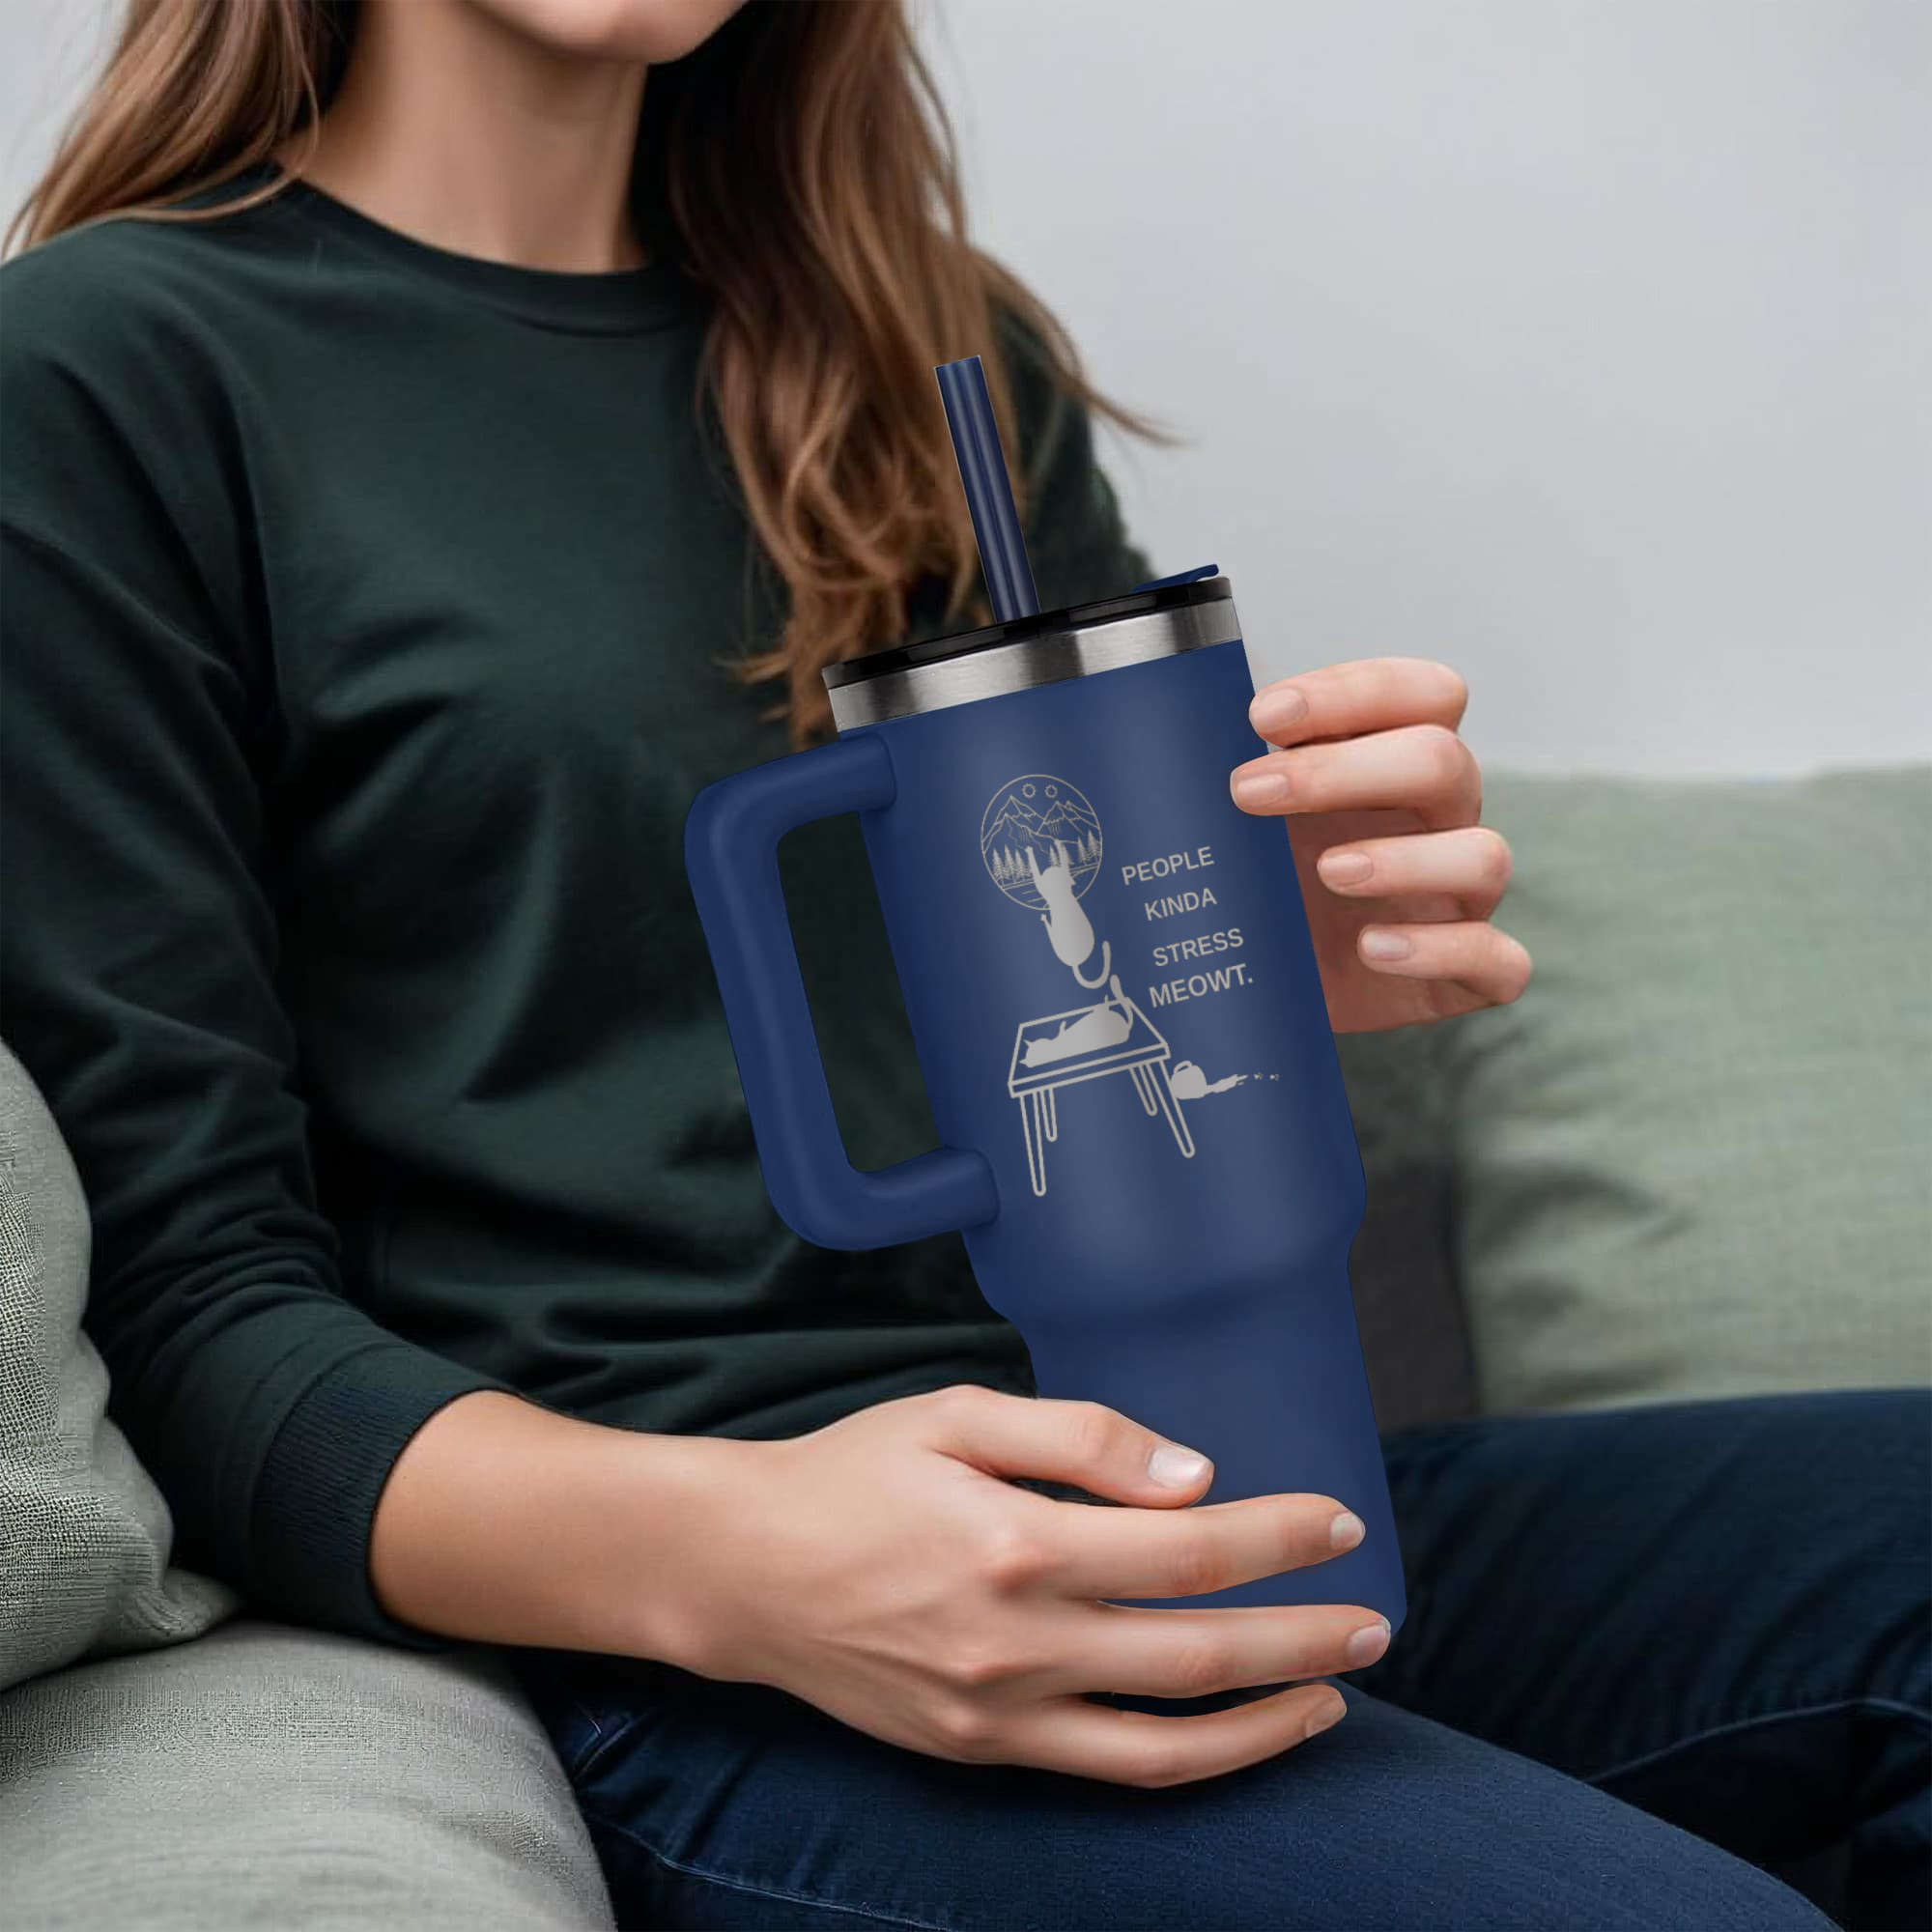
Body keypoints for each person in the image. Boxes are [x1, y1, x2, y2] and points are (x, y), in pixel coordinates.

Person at [1, 3, 1921, 1926]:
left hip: (1156, 1488)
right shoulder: (104, 374)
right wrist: (747, 1562)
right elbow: (183, 1313)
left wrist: (1269, 963)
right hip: (708, 1646)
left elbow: (1069, 1040)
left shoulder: (930, 351)